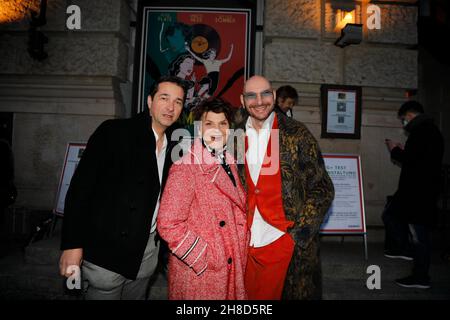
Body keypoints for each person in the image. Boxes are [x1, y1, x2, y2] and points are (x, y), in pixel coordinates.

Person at [59, 76, 187, 300]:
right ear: (149, 101)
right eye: (164, 98)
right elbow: (80, 189)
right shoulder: (114, 132)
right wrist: (72, 244)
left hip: (146, 254)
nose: (170, 107)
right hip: (106, 251)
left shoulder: (175, 147)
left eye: (178, 101)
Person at [237, 75, 334, 300]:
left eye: (265, 94)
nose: (259, 101)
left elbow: (322, 188)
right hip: (245, 243)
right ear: (242, 100)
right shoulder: (234, 135)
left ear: (273, 96)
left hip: (286, 241)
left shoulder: (297, 133)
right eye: (251, 95)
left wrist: (299, 235)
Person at [157, 98, 248, 300]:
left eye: (222, 123)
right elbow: (167, 223)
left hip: (231, 262)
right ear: (199, 130)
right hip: (203, 273)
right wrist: (203, 256)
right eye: (209, 124)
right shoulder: (186, 165)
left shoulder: (230, 161)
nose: (217, 130)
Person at [384, 100, 444, 289]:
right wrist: (405, 150)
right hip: (424, 191)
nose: (404, 123)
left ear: (409, 115)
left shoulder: (420, 132)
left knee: (414, 232)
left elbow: (411, 160)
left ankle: (415, 268)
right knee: (418, 233)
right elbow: (420, 158)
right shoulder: (432, 131)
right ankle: (417, 269)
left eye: (403, 119)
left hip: (417, 193)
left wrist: (394, 149)